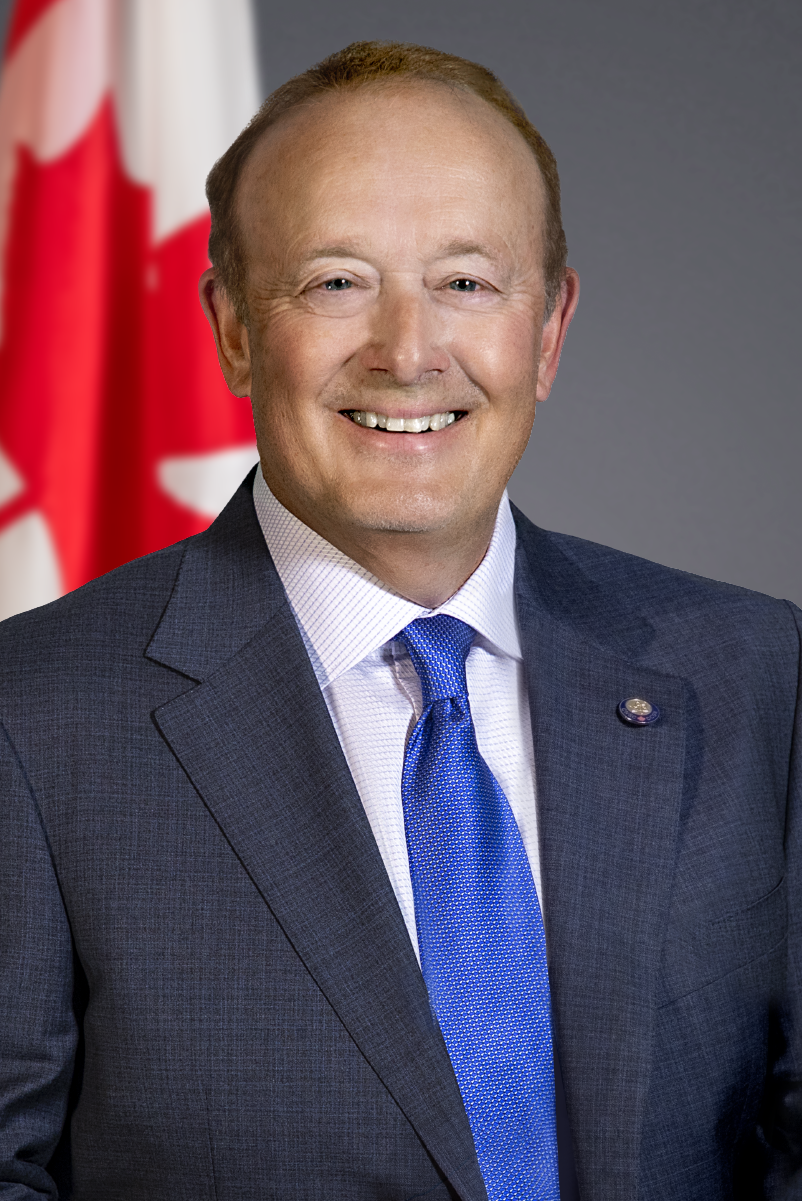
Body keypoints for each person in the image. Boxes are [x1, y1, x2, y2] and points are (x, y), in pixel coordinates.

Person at [0, 39, 799, 1201]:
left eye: (466, 282)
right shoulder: (32, 718)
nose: (408, 352)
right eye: (335, 281)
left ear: (549, 331)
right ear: (230, 327)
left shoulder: (758, 675)